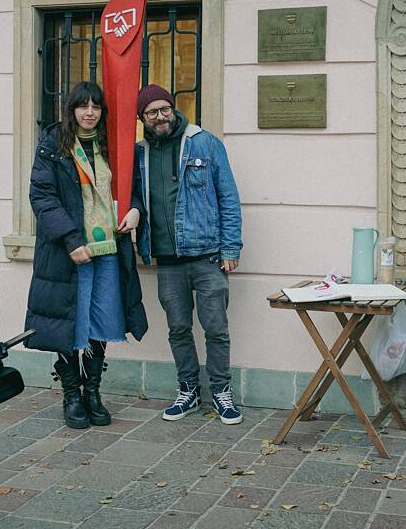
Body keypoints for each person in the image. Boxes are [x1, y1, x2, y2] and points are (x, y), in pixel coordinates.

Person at [25, 81, 147, 429]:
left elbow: (133, 189)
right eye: (83, 106)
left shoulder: (116, 146)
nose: (90, 113)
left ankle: (93, 392)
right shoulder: (53, 144)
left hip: (109, 247)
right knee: (70, 320)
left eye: (96, 107)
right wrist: (70, 238)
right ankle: (71, 394)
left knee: (101, 320)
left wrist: (136, 210)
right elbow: (42, 197)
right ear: (72, 110)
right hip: (68, 252)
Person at [134, 84, 244, 424]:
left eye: (164, 109)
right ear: (143, 118)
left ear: (173, 108)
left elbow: (228, 196)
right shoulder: (138, 154)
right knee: (178, 328)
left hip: (208, 255)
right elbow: (134, 200)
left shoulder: (204, 143)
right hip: (168, 260)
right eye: (151, 112)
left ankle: (222, 392)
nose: (160, 116)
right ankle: (188, 390)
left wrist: (230, 247)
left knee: (216, 329)